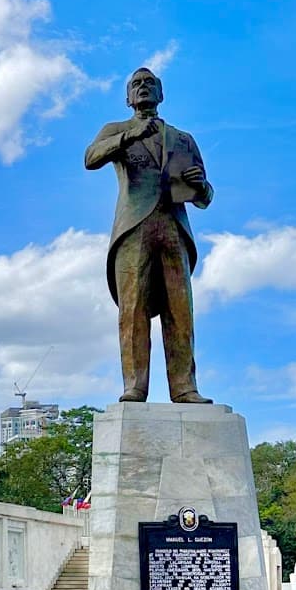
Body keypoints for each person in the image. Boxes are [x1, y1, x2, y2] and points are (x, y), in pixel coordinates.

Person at [84, 67, 213, 403]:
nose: (143, 88)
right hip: (134, 226)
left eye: (149, 83)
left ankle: (185, 387)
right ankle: (135, 386)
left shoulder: (183, 138)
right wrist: (132, 135)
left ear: (161, 93)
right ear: (128, 97)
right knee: (133, 309)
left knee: (180, 310)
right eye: (136, 85)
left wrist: (201, 186)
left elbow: (205, 198)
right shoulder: (117, 130)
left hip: (173, 225)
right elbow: (90, 158)